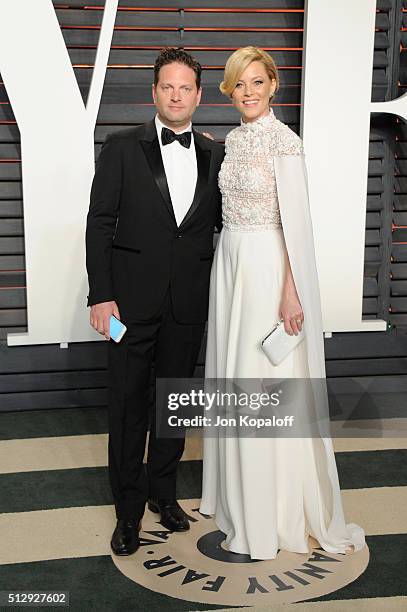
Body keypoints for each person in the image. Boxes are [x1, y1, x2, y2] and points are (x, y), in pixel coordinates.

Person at [199, 46, 366, 560]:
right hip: (229, 264)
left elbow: (298, 227)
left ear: (274, 85)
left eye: (256, 82)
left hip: (269, 267)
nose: (247, 93)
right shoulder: (232, 139)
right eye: (238, 84)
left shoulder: (286, 144)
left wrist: (290, 291)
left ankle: (271, 510)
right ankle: (235, 499)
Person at [85, 47, 224, 556]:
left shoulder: (216, 154)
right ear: (154, 93)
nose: (176, 95)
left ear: (198, 95)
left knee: (174, 405)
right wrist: (101, 295)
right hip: (129, 306)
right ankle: (127, 512)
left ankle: (164, 495)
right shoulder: (121, 146)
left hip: (187, 304)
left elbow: (226, 229)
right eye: (167, 86)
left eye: (185, 87)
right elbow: (99, 221)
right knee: (127, 408)